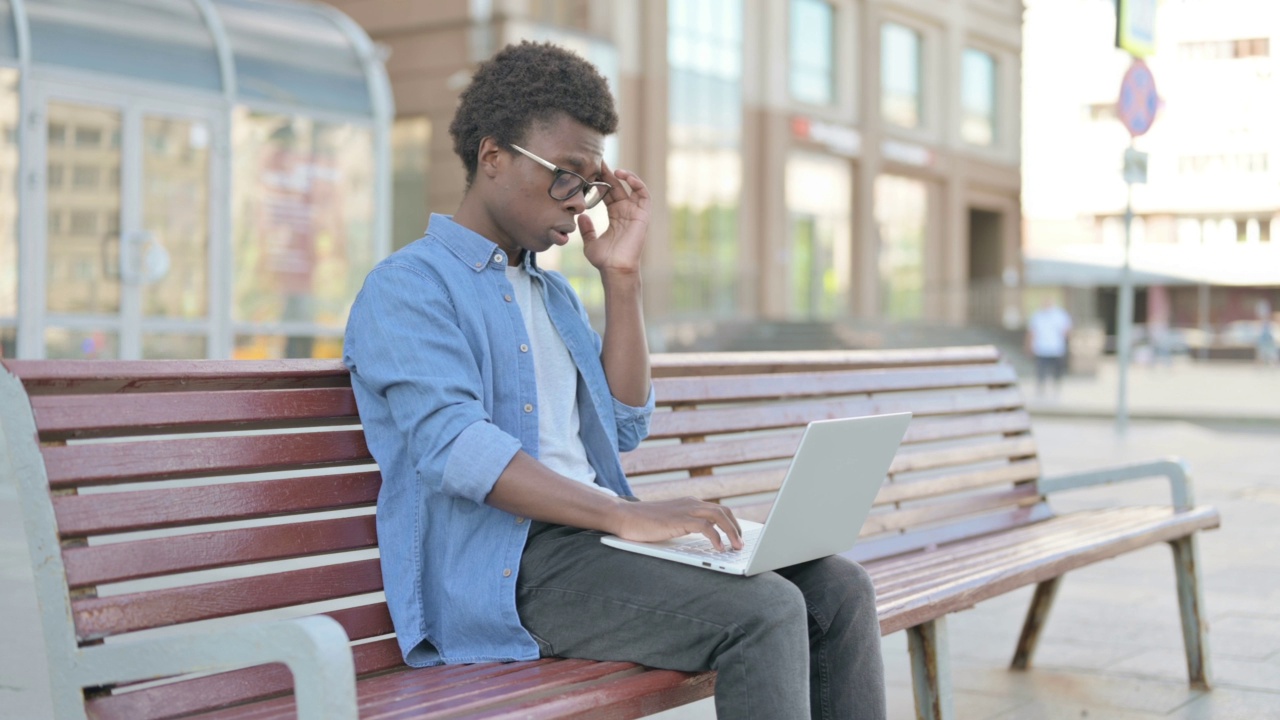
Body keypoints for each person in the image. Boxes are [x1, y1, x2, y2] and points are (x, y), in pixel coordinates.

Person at [343, 42, 885, 719]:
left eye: (592, 183)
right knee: (766, 612)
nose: (579, 201)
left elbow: (624, 425)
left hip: (590, 547)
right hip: (510, 571)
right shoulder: (409, 287)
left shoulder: (555, 296)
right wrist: (626, 514)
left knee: (838, 589)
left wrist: (620, 280)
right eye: (565, 175)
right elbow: (456, 448)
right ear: (492, 157)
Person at [1026, 297, 1072, 397]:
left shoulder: (1060, 315)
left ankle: (1056, 387)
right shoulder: (1037, 315)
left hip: (1056, 348)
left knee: (1057, 370)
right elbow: (1032, 332)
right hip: (1041, 348)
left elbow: (1066, 330)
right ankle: (1041, 388)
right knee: (1041, 370)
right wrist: (1029, 346)